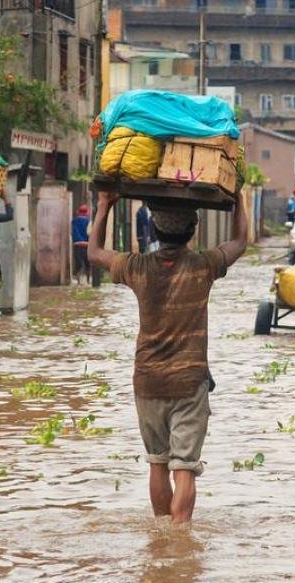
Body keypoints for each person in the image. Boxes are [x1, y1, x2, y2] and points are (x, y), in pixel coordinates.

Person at [87, 192, 247, 524]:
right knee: (184, 467)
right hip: (188, 382)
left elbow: (94, 252)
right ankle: (178, 542)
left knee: (157, 462)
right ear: (193, 229)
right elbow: (240, 242)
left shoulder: (137, 267)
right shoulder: (204, 266)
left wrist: (104, 206)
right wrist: (239, 200)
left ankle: (162, 538)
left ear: (155, 233)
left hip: (147, 380)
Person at [72, 204, 91, 284]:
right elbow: (90, 232)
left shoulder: (74, 221)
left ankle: (78, 280)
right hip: (87, 245)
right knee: (88, 264)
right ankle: (88, 280)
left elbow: (73, 232)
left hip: (78, 244)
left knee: (78, 263)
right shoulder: (88, 221)